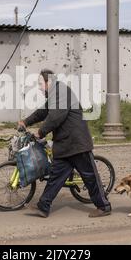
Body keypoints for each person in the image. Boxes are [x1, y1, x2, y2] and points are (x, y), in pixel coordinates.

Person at [18, 69, 111, 218]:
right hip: (64, 144)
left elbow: (55, 117)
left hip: (77, 142)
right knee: (56, 177)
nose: (40, 87)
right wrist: (26, 122)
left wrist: (41, 132)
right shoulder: (55, 95)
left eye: (41, 84)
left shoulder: (61, 91)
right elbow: (43, 112)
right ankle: (44, 206)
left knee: (90, 176)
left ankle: (104, 206)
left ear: (50, 82)